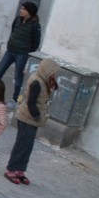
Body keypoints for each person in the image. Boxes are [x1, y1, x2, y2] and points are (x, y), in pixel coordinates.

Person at [4, 58, 59, 186]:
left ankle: (20, 170)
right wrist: (37, 115)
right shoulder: (36, 82)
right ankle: (11, 169)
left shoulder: (44, 81)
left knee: (28, 146)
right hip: (27, 118)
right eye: (53, 72)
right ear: (47, 71)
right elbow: (31, 102)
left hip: (32, 120)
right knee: (22, 144)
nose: (55, 75)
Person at [0, 1, 42, 106]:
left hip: (22, 54)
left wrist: (27, 52)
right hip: (10, 51)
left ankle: (15, 100)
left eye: (24, 9)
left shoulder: (35, 25)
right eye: (21, 8)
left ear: (29, 11)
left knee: (18, 78)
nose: (21, 10)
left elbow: (36, 43)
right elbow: (13, 31)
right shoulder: (17, 20)